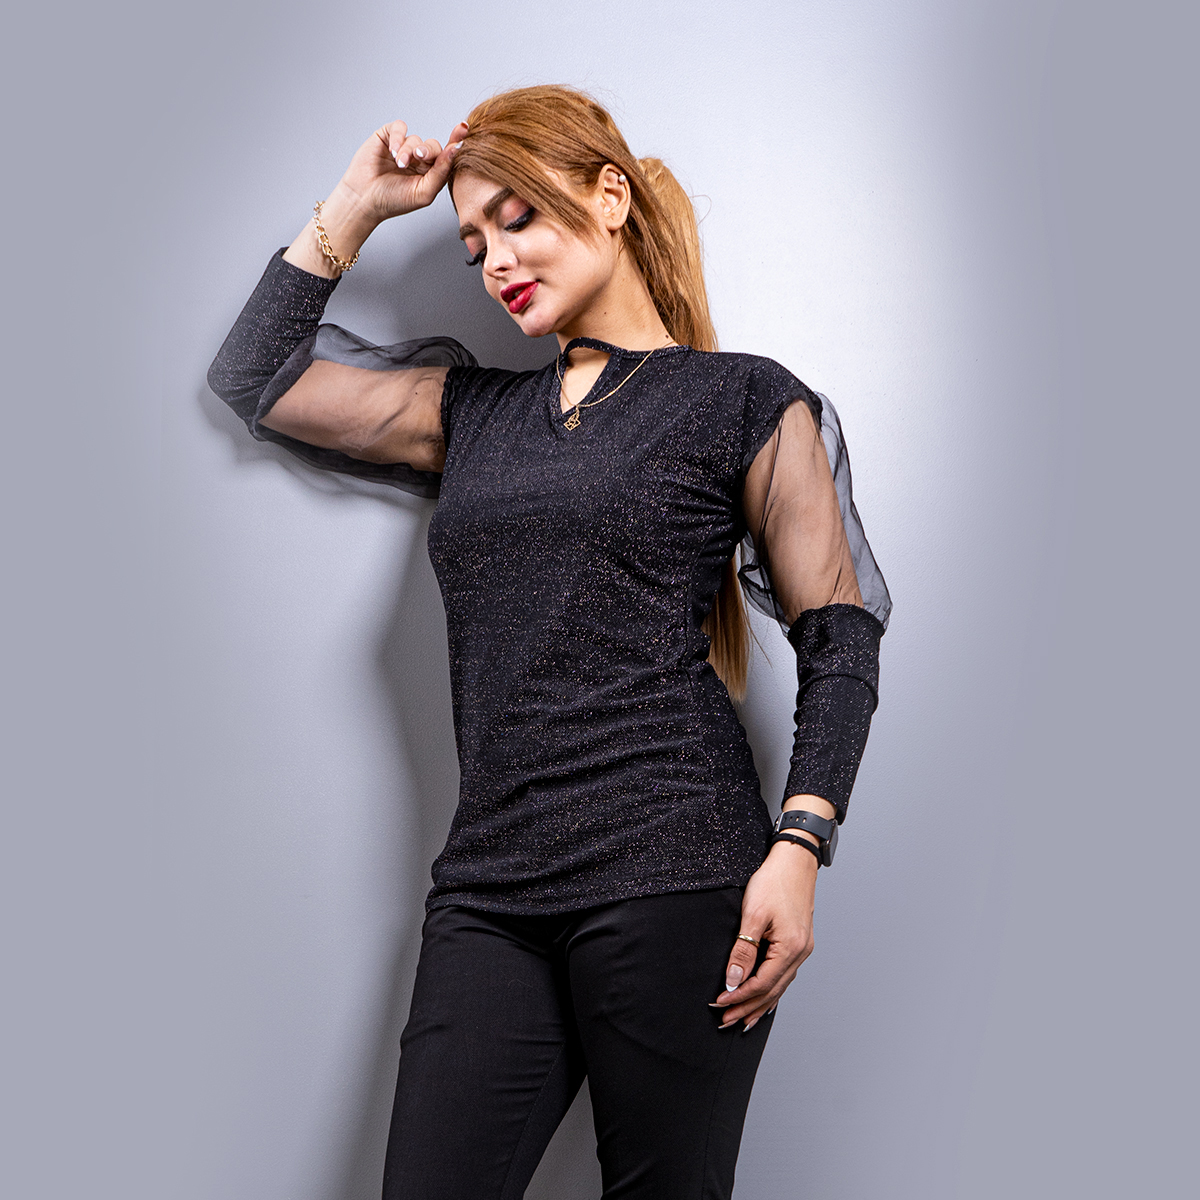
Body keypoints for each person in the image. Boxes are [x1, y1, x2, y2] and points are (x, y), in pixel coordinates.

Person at [208, 84, 890, 1200]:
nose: (495, 262)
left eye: (516, 218)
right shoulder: (472, 414)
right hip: (491, 888)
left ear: (609, 196)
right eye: (474, 244)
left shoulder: (745, 401)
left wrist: (801, 845)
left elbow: (842, 636)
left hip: (676, 871)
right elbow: (252, 376)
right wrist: (358, 203)